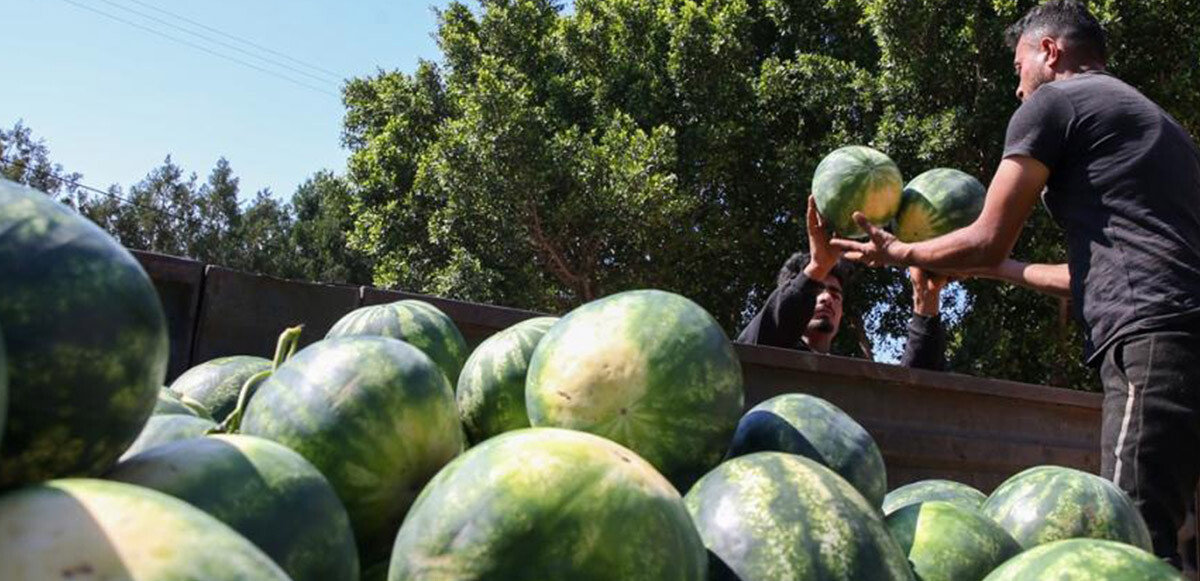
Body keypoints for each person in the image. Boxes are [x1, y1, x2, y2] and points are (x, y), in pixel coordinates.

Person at [830, 1, 1200, 566]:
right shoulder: (1155, 123)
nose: (1018, 89)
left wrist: (898, 251)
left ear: (1049, 52)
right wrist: (991, 268)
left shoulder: (1055, 102)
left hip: (1151, 340)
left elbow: (988, 237)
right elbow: (1086, 275)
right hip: (1183, 333)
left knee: (1135, 544)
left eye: (1019, 67)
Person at [738, 197, 950, 371]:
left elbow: (911, 394)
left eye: (835, 293)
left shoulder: (851, 374)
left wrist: (926, 299)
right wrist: (817, 267)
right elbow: (772, 328)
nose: (826, 297)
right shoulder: (762, 344)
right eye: (817, 290)